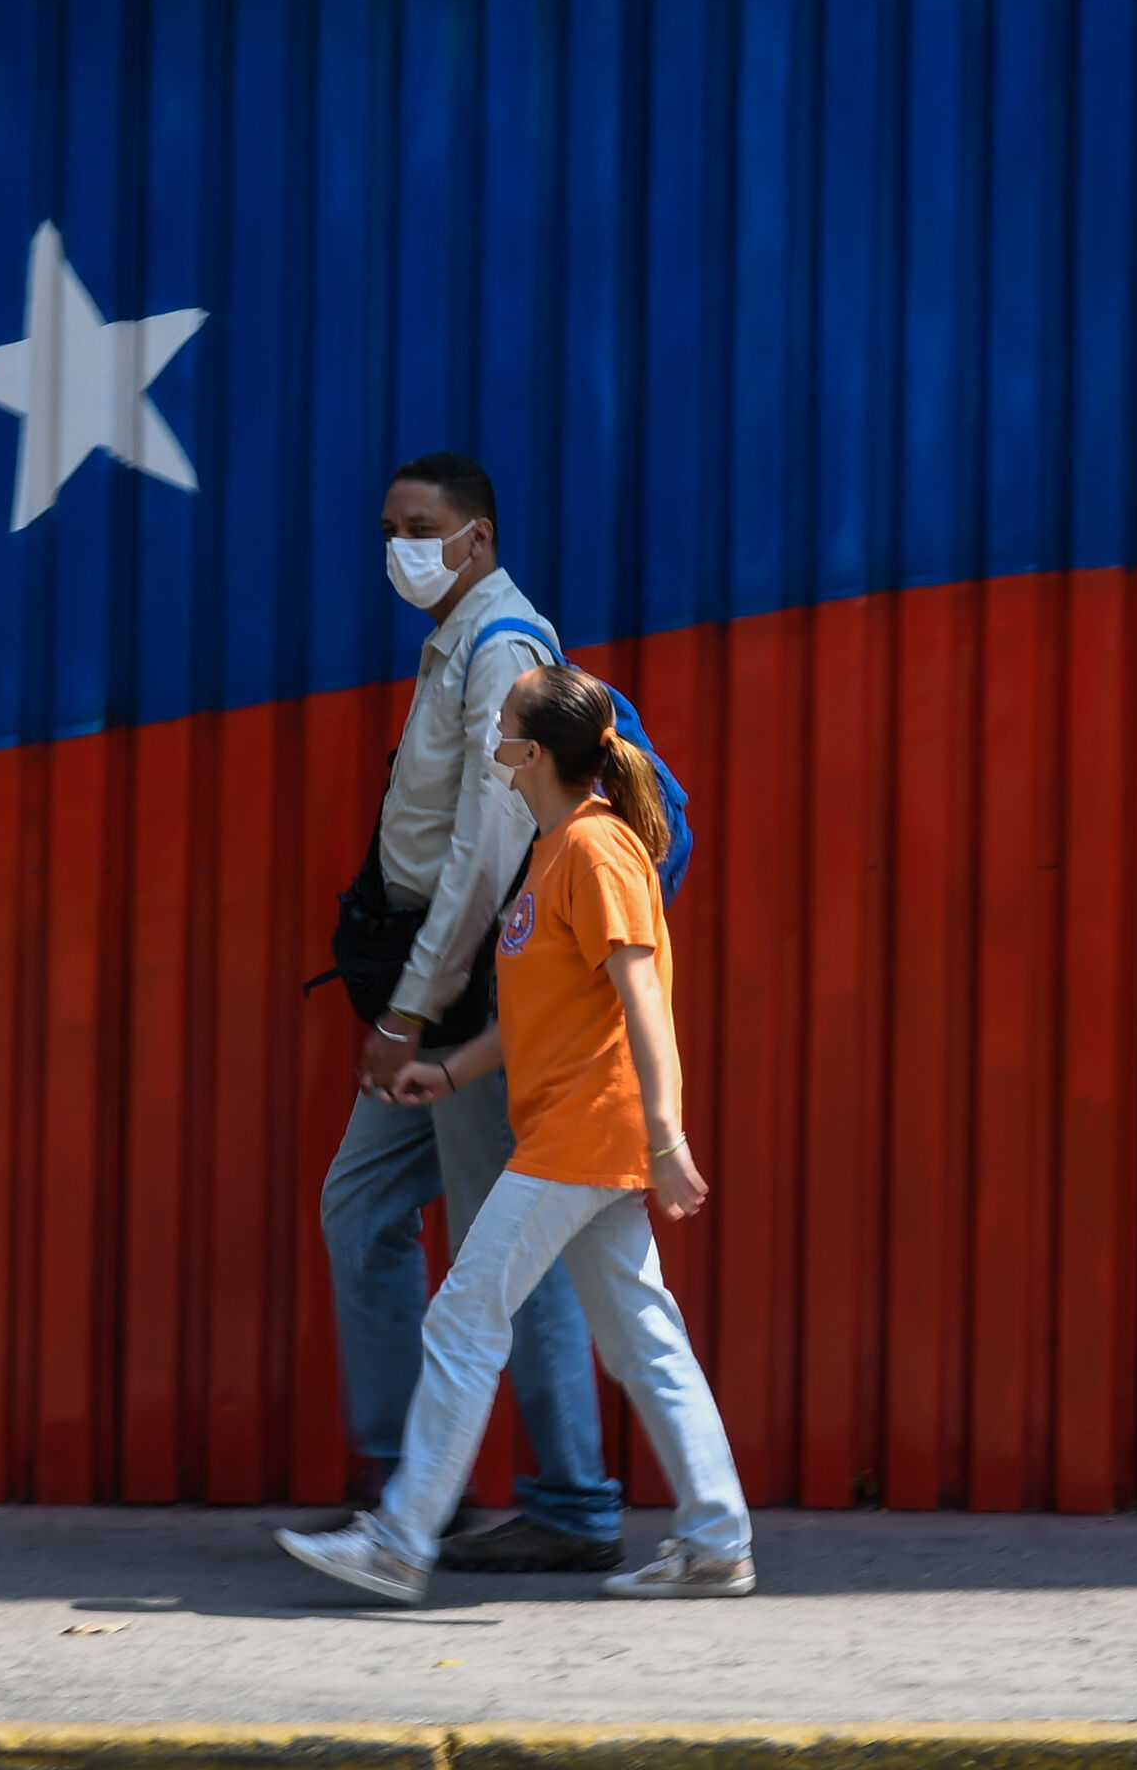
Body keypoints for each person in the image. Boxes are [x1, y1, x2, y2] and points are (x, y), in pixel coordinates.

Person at [280, 660, 756, 1603]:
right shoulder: (555, 849)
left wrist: (667, 1140)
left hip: (586, 1132)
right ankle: (715, 1541)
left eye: (502, 726)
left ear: (531, 754)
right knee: (644, 1336)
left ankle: (400, 1541)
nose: (490, 739)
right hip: (576, 1132)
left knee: (465, 1315)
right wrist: (450, 1072)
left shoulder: (597, 849)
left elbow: (643, 1000)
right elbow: (545, 1009)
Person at [312, 454, 626, 1571]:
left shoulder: (502, 648)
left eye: (422, 527)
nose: (400, 547)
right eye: (389, 528)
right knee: (360, 1209)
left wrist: (411, 1009)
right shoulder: (454, 640)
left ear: (476, 538)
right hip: (433, 984)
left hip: (466, 989)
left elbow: (485, 853)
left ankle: (572, 1501)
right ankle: (408, 1478)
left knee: (506, 1244)